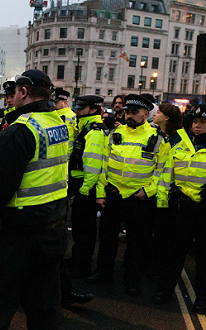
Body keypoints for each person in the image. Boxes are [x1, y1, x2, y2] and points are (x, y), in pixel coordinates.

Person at [0, 69, 69, 330]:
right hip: (54, 227)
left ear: (23, 92)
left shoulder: (20, 129)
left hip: (22, 235)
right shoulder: (56, 123)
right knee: (44, 307)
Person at [87, 94, 170, 297]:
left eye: (134, 112)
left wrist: (148, 192)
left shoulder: (157, 139)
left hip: (138, 199)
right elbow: (103, 165)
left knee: (136, 242)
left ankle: (132, 278)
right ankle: (104, 272)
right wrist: (100, 193)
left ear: (145, 114)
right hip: (114, 194)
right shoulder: (115, 133)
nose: (129, 116)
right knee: (107, 238)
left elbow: (163, 172)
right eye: (127, 112)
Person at [151, 105, 205, 311]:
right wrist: (164, 203)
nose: (197, 126)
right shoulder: (183, 143)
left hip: (203, 209)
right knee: (174, 252)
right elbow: (168, 173)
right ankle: (165, 289)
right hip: (183, 206)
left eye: (203, 123)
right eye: (196, 122)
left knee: (203, 256)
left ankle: (202, 298)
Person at [68, 95, 108, 279]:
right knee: (78, 228)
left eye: (81, 107)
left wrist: (83, 192)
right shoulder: (84, 128)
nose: (77, 109)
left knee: (85, 229)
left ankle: (83, 264)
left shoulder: (94, 131)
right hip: (80, 184)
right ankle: (78, 259)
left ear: (93, 110)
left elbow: (93, 166)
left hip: (86, 187)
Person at [53, 88, 76, 158]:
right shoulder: (51, 115)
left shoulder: (73, 117)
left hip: (67, 157)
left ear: (65, 102)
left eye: (56, 102)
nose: (53, 104)